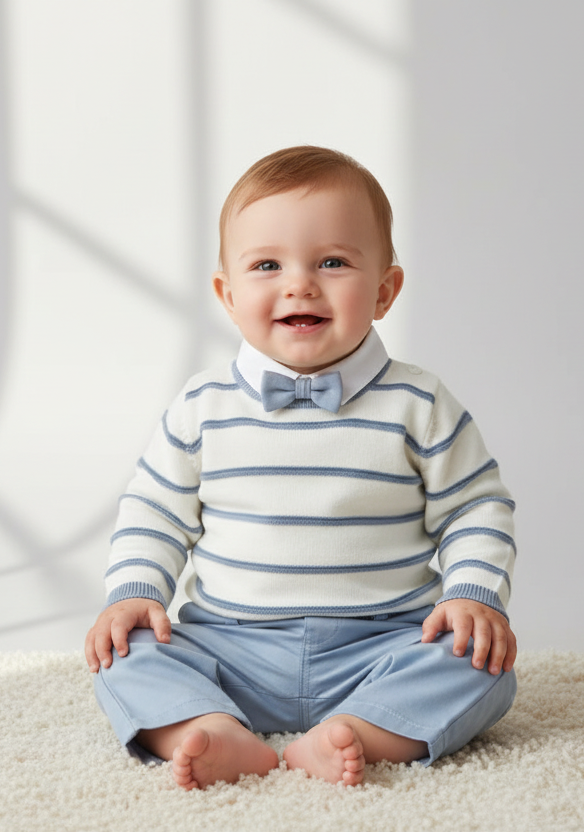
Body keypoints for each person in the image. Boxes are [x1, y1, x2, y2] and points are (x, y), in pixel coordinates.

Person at [85, 146, 517, 790]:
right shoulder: (203, 405)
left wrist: (471, 596)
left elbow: (476, 507)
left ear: (384, 290)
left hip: (383, 645)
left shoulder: (418, 402)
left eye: (333, 262)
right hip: (229, 650)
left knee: (483, 666)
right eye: (267, 265)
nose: (299, 284)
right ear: (228, 295)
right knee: (123, 655)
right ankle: (211, 727)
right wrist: (137, 593)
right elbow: (155, 510)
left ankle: (359, 732)